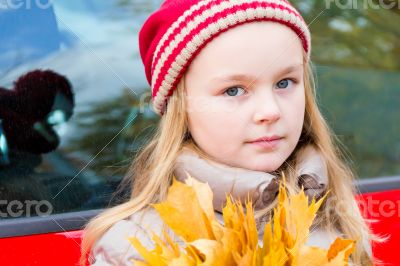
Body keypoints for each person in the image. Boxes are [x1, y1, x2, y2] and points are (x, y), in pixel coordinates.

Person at [80, 0, 380, 265]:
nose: (270, 111)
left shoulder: (336, 215)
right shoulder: (137, 245)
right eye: (234, 90)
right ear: (182, 108)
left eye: (285, 82)